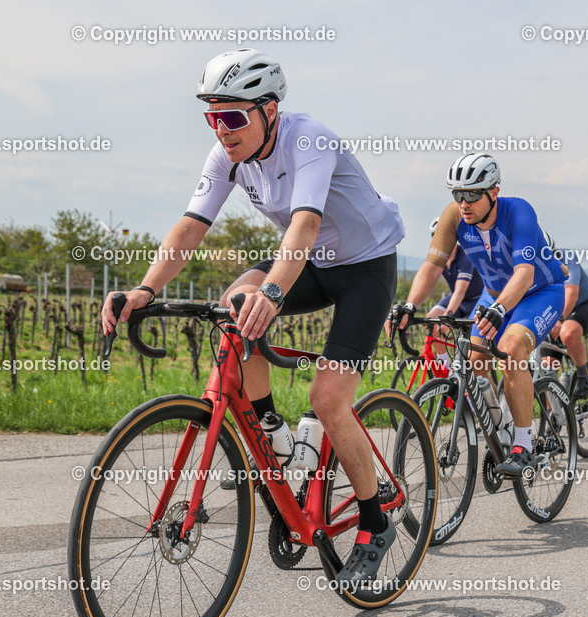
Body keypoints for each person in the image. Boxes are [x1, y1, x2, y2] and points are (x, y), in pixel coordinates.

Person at [100, 48, 406, 585]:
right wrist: (145, 289)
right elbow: (192, 226)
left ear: (269, 109)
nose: (222, 129)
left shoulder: (308, 139)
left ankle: (375, 522)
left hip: (364, 266)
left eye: (233, 116)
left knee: (328, 399)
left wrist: (273, 291)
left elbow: (305, 225)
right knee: (234, 301)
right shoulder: (227, 157)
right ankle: (270, 429)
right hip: (310, 261)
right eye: (212, 117)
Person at [390, 153, 567, 476]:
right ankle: (498, 424)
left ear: (493, 193)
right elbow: (432, 266)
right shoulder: (454, 216)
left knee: (512, 351)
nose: (464, 203)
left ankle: (523, 443)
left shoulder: (519, 211)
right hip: (496, 293)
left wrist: (501, 309)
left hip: (539, 291)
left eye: (472, 195)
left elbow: (525, 272)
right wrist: (410, 305)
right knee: (475, 359)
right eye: (457, 195)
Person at [543, 233, 588, 400]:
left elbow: (572, 293)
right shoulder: (529, 267)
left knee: (568, 333)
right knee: (547, 368)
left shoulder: (566, 256)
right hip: (554, 311)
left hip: (584, 305)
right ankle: (552, 418)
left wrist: (560, 319)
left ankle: (584, 378)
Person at [422, 217, 485, 368]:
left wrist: (448, 315)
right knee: (431, 321)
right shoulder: (438, 258)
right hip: (456, 298)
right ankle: (447, 368)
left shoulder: (466, 255)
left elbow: (461, 290)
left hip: (475, 300)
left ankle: (474, 375)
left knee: (472, 348)